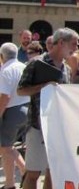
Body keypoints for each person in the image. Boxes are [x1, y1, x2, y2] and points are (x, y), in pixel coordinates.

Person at [18, 28, 78, 189]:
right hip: (37, 125)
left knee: (53, 172)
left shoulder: (66, 68)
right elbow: (21, 90)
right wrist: (43, 86)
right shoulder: (37, 63)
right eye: (73, 44)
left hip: (58, 126)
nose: (76, 48)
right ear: (61, 43)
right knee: (33, 173)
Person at [0, 43, 29, 189]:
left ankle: (16, 178)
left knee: (5, 148)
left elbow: (4, 96)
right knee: (8, 147)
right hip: (27, 108)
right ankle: (16, 178)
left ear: (2, 56)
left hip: (12, 110)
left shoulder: (5, 70)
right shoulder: (23, 67)